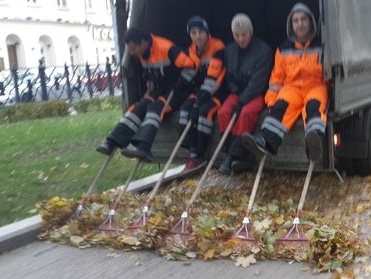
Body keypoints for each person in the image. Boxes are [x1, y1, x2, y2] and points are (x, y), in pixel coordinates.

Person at [242, 3, 327, 163]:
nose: (300, 24)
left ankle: (314, 145)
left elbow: (331, 73)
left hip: (315, 87)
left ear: (311, 22)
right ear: (291, 25)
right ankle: (264, 143)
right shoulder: (283, 49)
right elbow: (276, 79)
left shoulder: (322, 46)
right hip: (291, 89)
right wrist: (271, 102)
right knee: (279, 108)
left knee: (313, 107)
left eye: (303, 19)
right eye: (296, 21)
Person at [96, 28, 196, 160]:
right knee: (139, 108)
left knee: (155, 108)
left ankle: (144, 147)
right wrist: (149, 79)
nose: (132, 54)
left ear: (142, 43)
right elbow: (150, 71)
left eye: (133, 50)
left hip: (179, 92)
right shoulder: (142, 53)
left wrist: (179, 84)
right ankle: (112, 142)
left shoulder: (167, 48)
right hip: (160, 90)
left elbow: (192, 67)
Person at [216, 13, 273, 175]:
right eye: (237, 35)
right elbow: (229, 77)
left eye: (244, 35)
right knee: (224, 112)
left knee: (246, 113)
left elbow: (258, 82)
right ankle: (231, 153)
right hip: (238, 92)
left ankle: (233, 157)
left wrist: (242, 101)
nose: (240, 39)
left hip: (256, 94)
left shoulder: (264, 51)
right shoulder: (230, 50)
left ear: (251, 32)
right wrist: (235, 93)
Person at [178, 16, 227, 174]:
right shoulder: (191, 51)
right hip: (200, 91)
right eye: (193, 33)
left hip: (218, 91)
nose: (197, 36)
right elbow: (188, 75)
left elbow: (213, 77)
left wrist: (199, 100)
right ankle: (192, 153)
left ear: (207, 32)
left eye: (200, 32)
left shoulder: (218, 47)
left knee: (202, 112)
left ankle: (199, 153)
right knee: (185, 110)